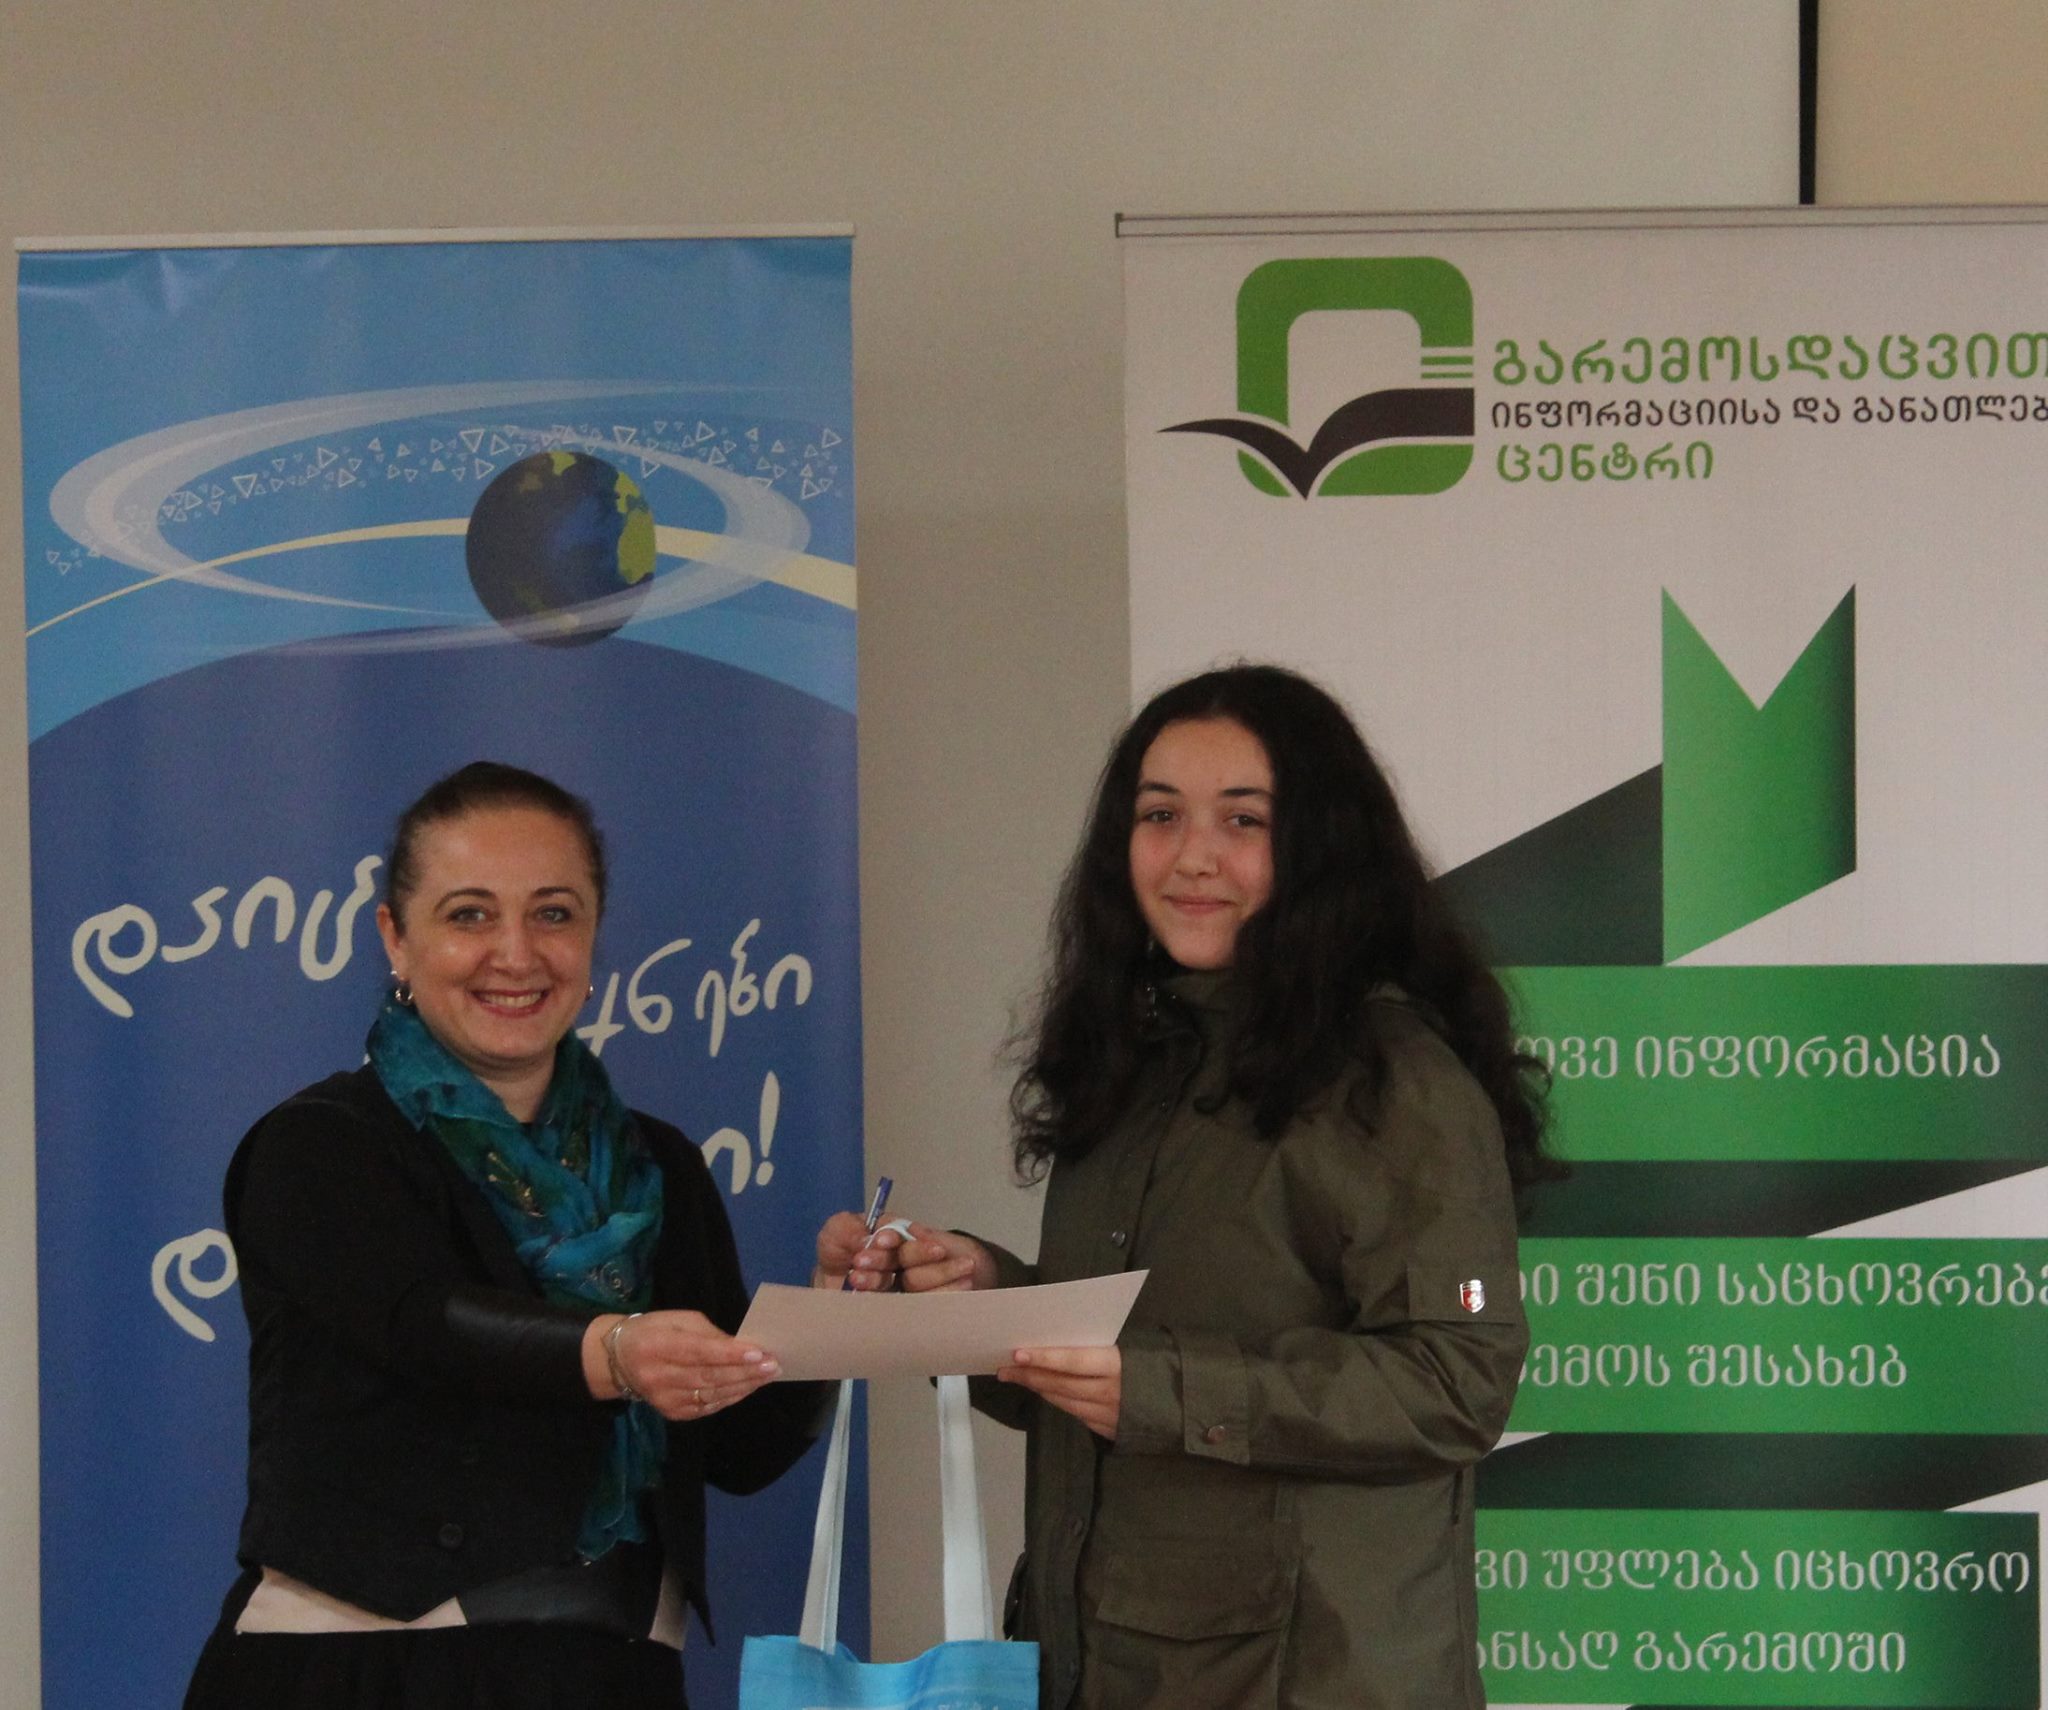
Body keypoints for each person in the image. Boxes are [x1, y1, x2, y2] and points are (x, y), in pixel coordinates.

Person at [819, 664, 1559, 1710]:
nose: (1191, 856)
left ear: (1321, 847)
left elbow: (1456, 1380)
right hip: (1109, 1666)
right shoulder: (1132, 1058)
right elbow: (1118, 1356)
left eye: (1242, 820)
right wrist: (979, 1296)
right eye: (1159, 815)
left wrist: (1161, 1390)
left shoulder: (1399, 1083)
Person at [186, 761, 830, 1710]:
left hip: (613, 1678)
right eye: (470, 915)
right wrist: (617, 1351)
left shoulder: (661, 1165)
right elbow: (426, 1326)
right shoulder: (318, 1144)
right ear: (395, 938)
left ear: (595, 935)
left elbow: (738, 1450)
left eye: (554, 913)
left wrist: (836, 1310)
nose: (516, 953)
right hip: (365, 1680)